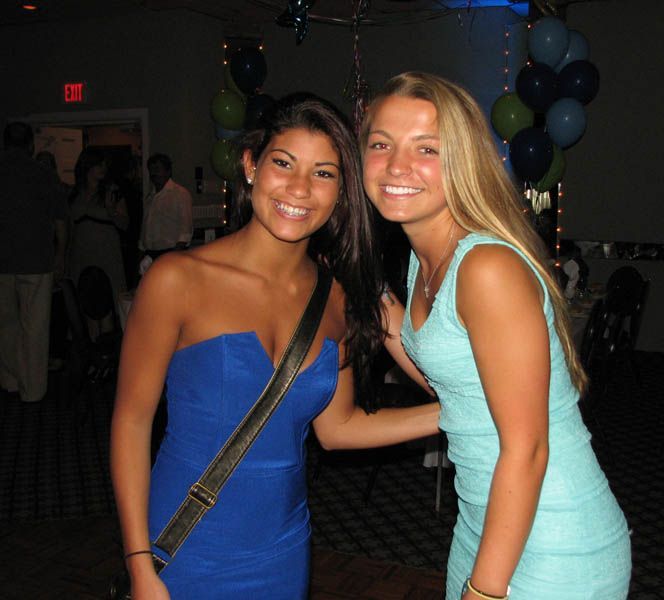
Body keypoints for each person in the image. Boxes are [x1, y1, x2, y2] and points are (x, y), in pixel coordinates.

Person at [110, 94, 439, 599]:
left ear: (342, 192)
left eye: (324, 173)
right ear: (250, 165)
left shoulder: (337, 297)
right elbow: (131, 422)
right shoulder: (178, 280)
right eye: (283, 163)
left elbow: (339, 428)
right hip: (185, 548)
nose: (300, 189)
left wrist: (453, 414)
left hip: (283, 549)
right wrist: (138, 565)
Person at [361, 72, 631, 599]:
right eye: (380, 144)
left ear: (462, 160)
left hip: (556, 538)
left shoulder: (484, 265)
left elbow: (527, 448)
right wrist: (363, 285)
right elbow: (456, 387)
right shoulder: (424, 261)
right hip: (487, 524)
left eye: (427, 149)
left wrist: (484, 592)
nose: (397, 165)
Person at [0, 122, 68, 402]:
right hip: (37, 260)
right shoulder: (43, 174)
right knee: (35, 328)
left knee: (6, 327)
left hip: (3, 261)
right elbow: (60, 221)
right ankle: (33, 389)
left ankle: (10, 381)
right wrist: (61, 254)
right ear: (31, 145)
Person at [68, 147, 129, 296]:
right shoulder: (74, 193)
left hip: (106, 252)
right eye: (99, 164)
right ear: (87, 165)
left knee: (108, 296)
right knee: (84, 297)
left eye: (104, 164)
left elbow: (125, 224)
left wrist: (111, 210)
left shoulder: (112, 191)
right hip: (81, 254)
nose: (103, 168)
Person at [139, 153, 193, 266]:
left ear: (168, 171)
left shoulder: (180, 194)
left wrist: (174, 255)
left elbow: (185, 229)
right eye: (151, 170)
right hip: (149, 254)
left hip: (170, 252)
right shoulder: (150, 197)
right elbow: (146, 227)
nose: (154, 173)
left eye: (157, 169)